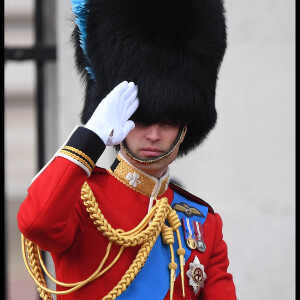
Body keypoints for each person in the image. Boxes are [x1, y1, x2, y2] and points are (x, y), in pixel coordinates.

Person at [18, 0, 237, 299]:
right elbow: (35, 222)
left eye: (168, 121)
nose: (154, 135)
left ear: (184, 128)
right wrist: (91, 135)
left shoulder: (201, 223)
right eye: (140, 119)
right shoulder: (80, 199)